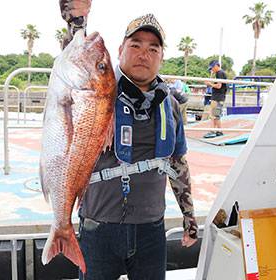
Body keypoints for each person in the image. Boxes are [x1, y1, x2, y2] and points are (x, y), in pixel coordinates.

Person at [59, 2, 199, 279]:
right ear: (120, 50)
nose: (143, 54)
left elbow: (178, 163)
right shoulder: (97, 89)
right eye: (135, 45)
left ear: (161, 58)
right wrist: (76, 17)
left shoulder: (169, 105)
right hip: (98, 228)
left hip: (151, 229)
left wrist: (189, 216)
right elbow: (75, 54)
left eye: (153, 49)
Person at [203, 60, 227, 138]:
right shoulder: (221, 73)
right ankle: (219, 131)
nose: (211, 70)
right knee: (216, 115)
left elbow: (219, 86)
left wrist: (209, 84)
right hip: (220, 97)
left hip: (217, 97)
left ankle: (212, 131)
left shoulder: (219, 73)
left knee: (213, 115)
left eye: (212, 68)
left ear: (216, 66)